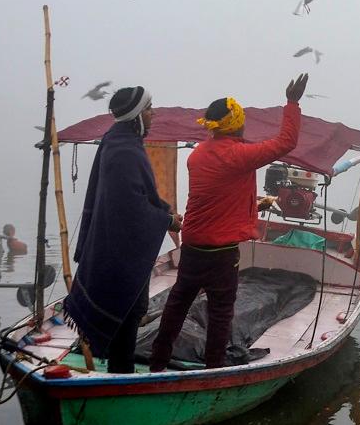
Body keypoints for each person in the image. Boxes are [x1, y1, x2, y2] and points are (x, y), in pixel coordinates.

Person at [148, 74, 307, 371]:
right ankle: (213, 368)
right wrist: (292, 103)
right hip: (220, 254)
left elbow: (219, 194)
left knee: (177, 303)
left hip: (193, 245)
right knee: (221, 311)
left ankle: (157, 360)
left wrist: (251, 205)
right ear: (234, 124)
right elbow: (286, 142)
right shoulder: (239, 156)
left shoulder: (197, 155)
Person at [63, 86, 181, 374]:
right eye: (149, 108)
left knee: (131, 309)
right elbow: (130, 206)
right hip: (121, 249)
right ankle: (121, 371)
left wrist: (163, 210)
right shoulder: (124, 151)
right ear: (136, 115)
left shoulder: (117, 142)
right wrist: (166, 220)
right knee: (129, 310)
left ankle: (119, 367)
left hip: (117, 243)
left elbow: (140, 194)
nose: (153, 113)